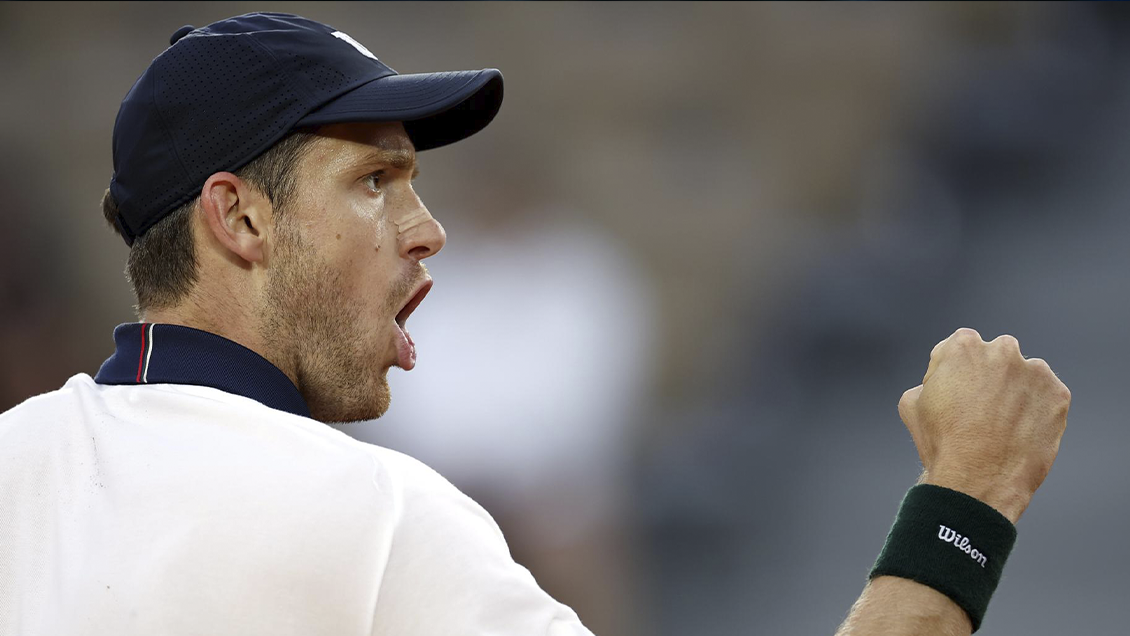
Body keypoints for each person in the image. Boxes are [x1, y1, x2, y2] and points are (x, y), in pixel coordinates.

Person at [0, 12, 1070, 636]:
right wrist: (966, 502)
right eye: (375, 181)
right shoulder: (370, 519)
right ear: (239, 217)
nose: (428, 231)